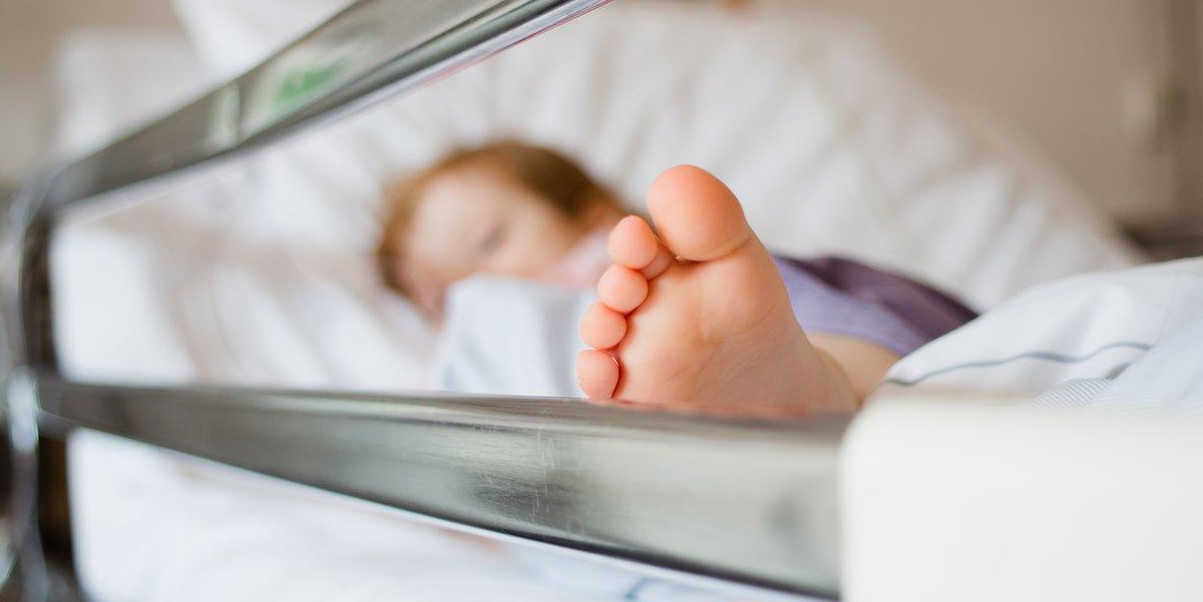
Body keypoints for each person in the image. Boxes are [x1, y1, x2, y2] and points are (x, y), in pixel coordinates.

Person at [376, 141, 974, 416]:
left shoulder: (650, 282)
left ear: (594, 215)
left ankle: (816, 387)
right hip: (646, 408)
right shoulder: (480, 362)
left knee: (739, 303)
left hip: (813, 328)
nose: (481, 291)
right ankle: (766, 410)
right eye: (444, 297)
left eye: (489, 242)